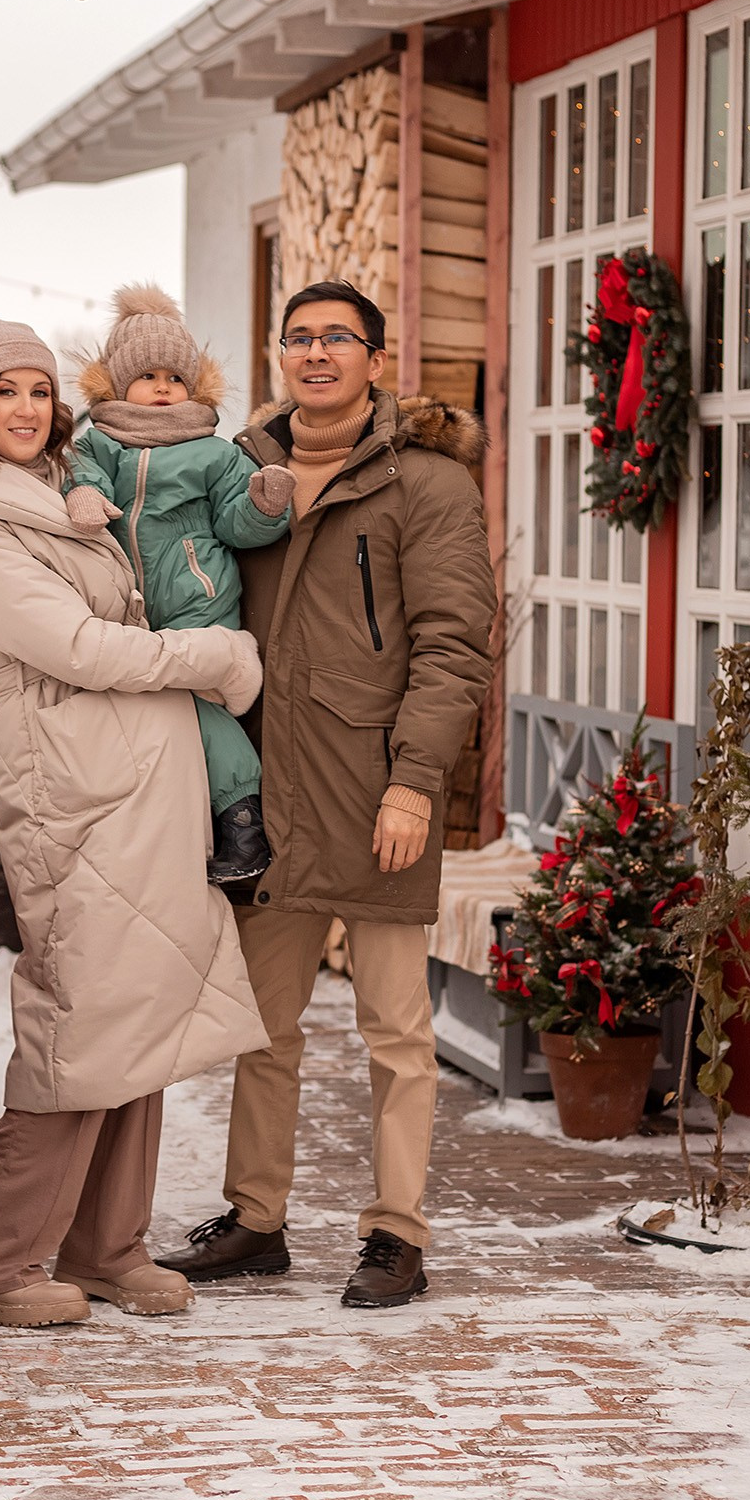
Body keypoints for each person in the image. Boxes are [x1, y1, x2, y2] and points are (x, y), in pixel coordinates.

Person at [0, 317, 271, 1327]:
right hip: (70, 767)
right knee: (79, 1009)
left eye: (37, 388)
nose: (24, 407)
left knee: (144, 1005)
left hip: (138, 772)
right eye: (3, 392)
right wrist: (208, 658)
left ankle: (107, 1244)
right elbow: (78, 645)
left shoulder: (62, 494)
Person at [155, 279, 496, 1309]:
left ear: (375, 360)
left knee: (394, 1026)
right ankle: (256, 1217)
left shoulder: (426, 483)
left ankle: (398, 1231)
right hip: (267, 789)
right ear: (280, 356)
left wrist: (414, 783)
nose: (315, 353)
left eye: (336, 338)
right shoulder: (239, 468)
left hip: (376, 787)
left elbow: (451, 645)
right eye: (298, 337)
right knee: (265, 1022)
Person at [62, 284, 298, 888]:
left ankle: (243, 817)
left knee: (192, 702)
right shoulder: (100, 442)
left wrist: (264, 507)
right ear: (117, 386)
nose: (163, 387)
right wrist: (83, 494)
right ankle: (183, 828)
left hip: (199, 599)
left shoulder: (213, 452)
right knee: (152, 716)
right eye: (148, 376)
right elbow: (79, 474)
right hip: (128, 611)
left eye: (175, 376)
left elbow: (236, 525)